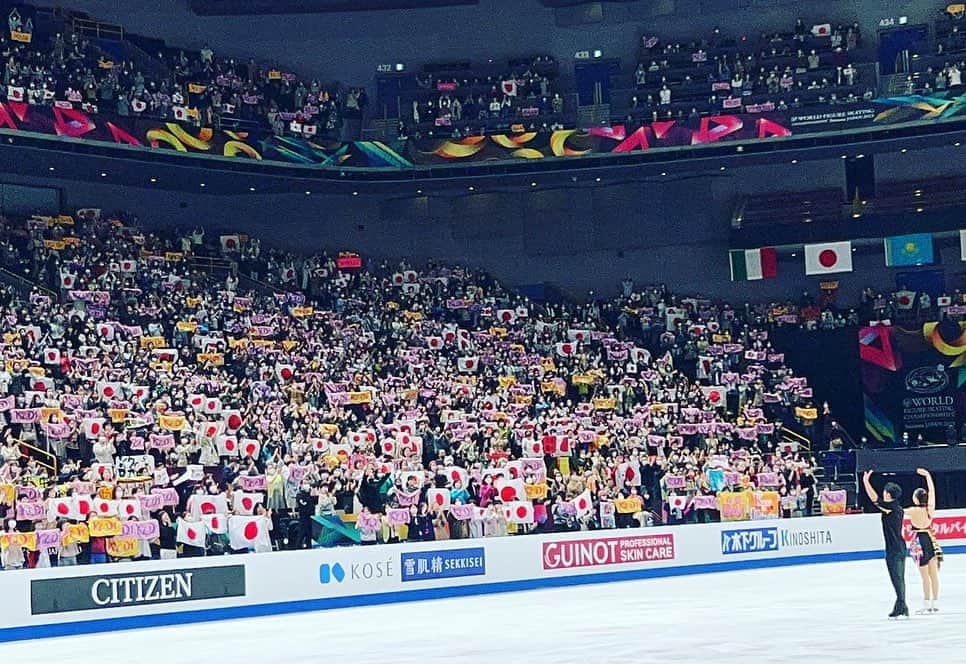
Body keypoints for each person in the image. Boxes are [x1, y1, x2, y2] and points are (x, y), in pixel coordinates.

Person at [862, 470, 909, 618]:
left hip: (894, 549)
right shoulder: (896, 507)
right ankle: (902, 605)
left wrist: (865, 482)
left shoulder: (891, 507)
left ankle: (901, 606)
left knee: (897, 578)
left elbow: (874, 500)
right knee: (899, 578)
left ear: (888, 494)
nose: (883, 493)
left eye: (884, 492)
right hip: (899, 547)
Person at [905, 468, 942, 613]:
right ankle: (935, 603)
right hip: (930, 540)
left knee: (925, 577)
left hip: (919, 542)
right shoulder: (929, 509)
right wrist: (928, 476)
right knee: (934, 575)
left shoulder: (912, 510)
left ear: (916, 498)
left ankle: (927, 604)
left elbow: (896, 510)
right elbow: (932, 492)